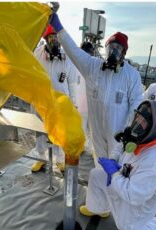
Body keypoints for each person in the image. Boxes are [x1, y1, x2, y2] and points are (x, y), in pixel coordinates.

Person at [80, 100, 156, 230]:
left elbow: (133, 195)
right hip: (126, 180)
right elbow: (121, 147)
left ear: (155, 127)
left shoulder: (155, 162)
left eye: (143, 121)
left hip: (139, 202)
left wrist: (114, 174)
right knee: (97, 175)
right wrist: (114, 160)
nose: (137, 123)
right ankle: (99, 209)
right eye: (138, 117)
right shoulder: (143, 137)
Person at [49, 13, 143, 166]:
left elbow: (136, 103)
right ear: (105, 48)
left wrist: (130, 129)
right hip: (96, 130)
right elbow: (74, 51)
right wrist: (59, 29)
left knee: (117, 166)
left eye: (118, 48)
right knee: (100, 164)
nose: (114, 51)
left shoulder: (132, 76)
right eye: (111, 47)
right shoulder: (93, 67)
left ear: (124, 53)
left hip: (118, 134)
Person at [31, 24, 78, 172]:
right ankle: (41, 159)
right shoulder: (37, 55)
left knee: (60, 132)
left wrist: (74, 105)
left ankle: (59, 160)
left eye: (56, 38)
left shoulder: (66, 59)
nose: (54, 41)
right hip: (40, 103)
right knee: (39, 131)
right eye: (51, 38)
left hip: (60, 104)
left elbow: (72, 82)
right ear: (45, 40)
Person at [76, 42, 94, 153]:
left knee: (91, 131)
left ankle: (93, 150)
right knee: (83, 129)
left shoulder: (94, 66)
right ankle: (83, 148)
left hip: (91, 106)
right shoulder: (76, 65)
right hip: (82, 106)